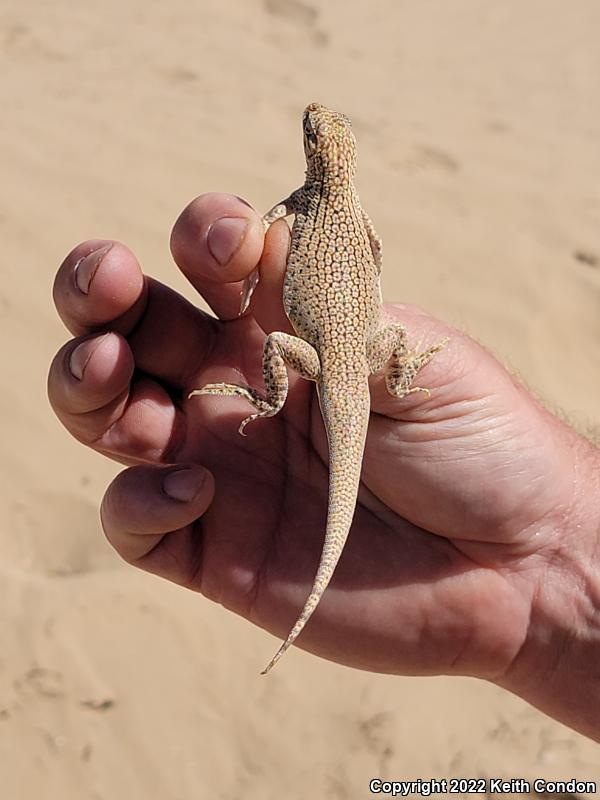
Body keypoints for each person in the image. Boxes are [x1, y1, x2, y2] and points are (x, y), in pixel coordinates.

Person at [48, 193, 600, 741]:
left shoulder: (301, 202)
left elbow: (270, 226)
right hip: (359, 355)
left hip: (327, 358)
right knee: (369, 338)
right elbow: (376, 250)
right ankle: (372, 381)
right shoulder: (356, 209)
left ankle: (267, 403)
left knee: (274, 332)